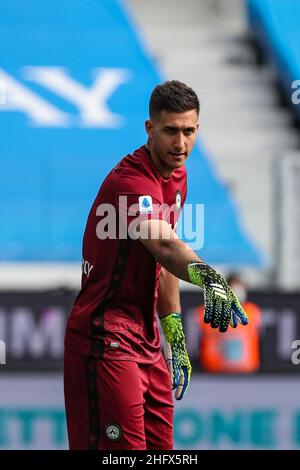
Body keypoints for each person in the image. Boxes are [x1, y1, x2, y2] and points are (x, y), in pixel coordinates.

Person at [64, 80, 248, 450]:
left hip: (146, 341)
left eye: (189, 131)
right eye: (170, 131)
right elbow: (164, 246)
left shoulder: (177, 176)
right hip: (107, 339)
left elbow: (161, 267)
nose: (180, 143)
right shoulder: (130, 181)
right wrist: (211, 278)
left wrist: (175, 339)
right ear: (150, 128)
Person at [198, 274, 261, 373]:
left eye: (240, 286)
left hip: (246, 371)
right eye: (233, 286)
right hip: (215, 371)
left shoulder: (252, 310)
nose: (237, 290)